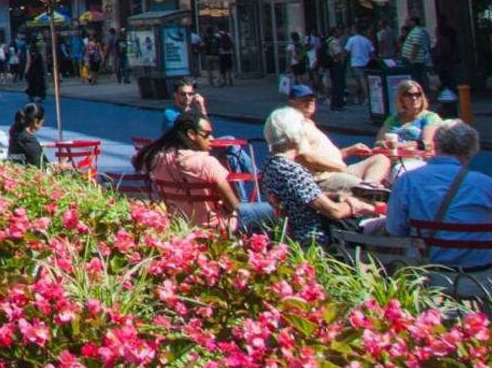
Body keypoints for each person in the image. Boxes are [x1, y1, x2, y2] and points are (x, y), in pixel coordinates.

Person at [379, 121, 492, 296]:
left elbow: (394, 229)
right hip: (481, 278)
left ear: (436, 146)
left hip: (430, 276)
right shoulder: (485, 184)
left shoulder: (408, 180)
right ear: (470, 152)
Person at [134, 112, 275, 234]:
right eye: (206, 135)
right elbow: (233, 206)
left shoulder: (157, 159)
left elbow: (138, 159)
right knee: (275, 210)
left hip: (181, 224)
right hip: (218, 227)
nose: (212, 139)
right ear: (191, 134)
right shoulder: (207, 163)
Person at [260, 106, 379, 248]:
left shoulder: (270, 166)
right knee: (380, 228)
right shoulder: (290, 170)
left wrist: (336, 196)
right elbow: (335, 211)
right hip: (316, 239)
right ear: (294, 135)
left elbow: (300, 198)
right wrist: (358, 204)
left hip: (295, 236)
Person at [285, 83, 392, 189]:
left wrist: (351, 150)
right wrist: (340, 168)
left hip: (338, 169)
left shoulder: (309, 123)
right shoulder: (294, 125)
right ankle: (366, 190)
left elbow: (328, 156)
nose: (310, 102)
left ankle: (369, 185)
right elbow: (306, 158)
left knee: (381, 159)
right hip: (324, 177)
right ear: (292, 103)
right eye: (305, 100)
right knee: (359, 186)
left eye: (312, 99)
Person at [374, 80, 443, 155]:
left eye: (417, 94)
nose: (414, 98)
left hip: (418, 158)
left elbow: (428, 144)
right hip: (393, 157)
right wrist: (381, 144)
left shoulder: (430, 117)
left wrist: (402, 146)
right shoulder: (394, 118)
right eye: (409, 95)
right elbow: (378, 142)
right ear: (401, 98)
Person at [7, 103, 47, 167]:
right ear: (36, 121)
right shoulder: (28, 140)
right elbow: (39, 165)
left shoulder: (14, 134)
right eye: (42, 122)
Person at [345, 24, 374, 105]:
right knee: (360, 80)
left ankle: (366, 97)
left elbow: (347, 51)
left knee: (361, 80)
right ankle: (358, 96)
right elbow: (372, 52)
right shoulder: (366, 40)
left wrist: (344, 58)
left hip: (356, 63)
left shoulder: (351, 40)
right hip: (366, 62)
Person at [23, 38, 47, 105]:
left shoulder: (29, 51)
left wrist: (26, 70)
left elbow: (28, 61)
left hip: (32, 69)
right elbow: (43, 60)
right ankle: (39, 96)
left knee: (32, 82)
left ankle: (33, 95)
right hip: (39, 69)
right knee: (39, 82)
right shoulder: (39, 51)